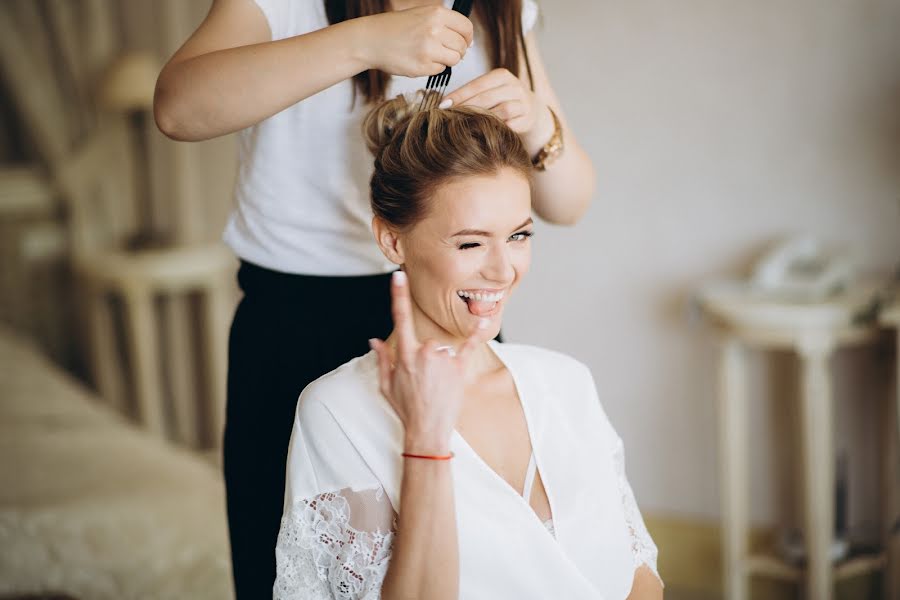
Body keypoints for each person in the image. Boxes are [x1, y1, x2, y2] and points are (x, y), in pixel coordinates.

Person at [154, 1, 596, 596]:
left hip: (447, 310)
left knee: (473, 557)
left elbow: (567, 203)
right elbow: (179, 107)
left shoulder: (500, 7)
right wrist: (362, 43)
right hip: (294, 321)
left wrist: (539, 125)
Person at [273, 96, 662, 599]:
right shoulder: (337, 412)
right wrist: (426, 442)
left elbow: (638, 572)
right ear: (392, 241)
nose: (503, 271)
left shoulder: (566, 383)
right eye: (470, 243)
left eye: (519, 235)